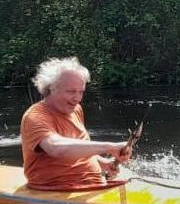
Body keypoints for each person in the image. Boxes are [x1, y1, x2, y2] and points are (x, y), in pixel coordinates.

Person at [20, 57, 134, 191]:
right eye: (71, 91)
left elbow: (76, 148)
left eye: (81, 92)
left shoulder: (76, 109)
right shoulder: (35, 117)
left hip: (93, 183)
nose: (77, 99)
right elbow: (57, 149)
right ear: (51, 88)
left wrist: (103, 163)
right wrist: (109, 147)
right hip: (56, 189)